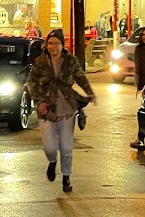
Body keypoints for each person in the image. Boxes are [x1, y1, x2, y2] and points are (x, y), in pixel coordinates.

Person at [26, 28, 96, 193]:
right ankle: (52, 162)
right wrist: (39, 102)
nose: (53, 47)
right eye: (50, 43)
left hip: (67, 108)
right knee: (49, 147)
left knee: (66, 147)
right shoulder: (40, 62)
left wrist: (90, 93)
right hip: (47, 110)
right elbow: (31, 84)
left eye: (57, 43)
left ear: (62, 45)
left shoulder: (70, 61)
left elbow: (80, 77)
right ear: (46, 45)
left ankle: (66, 177)